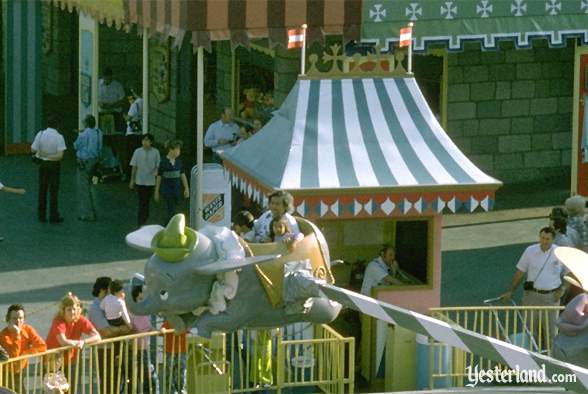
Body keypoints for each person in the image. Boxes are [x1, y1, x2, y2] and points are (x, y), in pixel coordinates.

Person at [500, 227, 566, 347]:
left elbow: (569, 274)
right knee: (529, 331)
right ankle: (530, 357)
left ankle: (553, 360)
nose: (544, 241)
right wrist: (511, 291)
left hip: (551, 298)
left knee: (551, 331)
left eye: (547, 239)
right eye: (542, 238)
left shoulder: (560, 253)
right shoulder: (530, 251)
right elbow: (520, 272)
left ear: (553, 239)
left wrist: (563, 289)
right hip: (531, 296)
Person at [87, 277, 133, 393]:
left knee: (121, 381)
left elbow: (127, 326)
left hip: (119, 348)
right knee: (108, 384)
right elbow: (107, 332)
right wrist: (123, 328)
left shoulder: (114, 301)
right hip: (105, 350)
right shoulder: (95, 308)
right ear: (103, 290)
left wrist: (119, 329)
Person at [45, 293, 101, 364]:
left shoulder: (80, 319)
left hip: (71, 359)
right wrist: (77, 343)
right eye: (69, 310)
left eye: (74, 309)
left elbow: (97, 337)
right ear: (63, 310)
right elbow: (63, 342)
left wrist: (83, 342)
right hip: (53, 361)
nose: (72, 312)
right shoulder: (58, 321)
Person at [31, 114, 66, 224]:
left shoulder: (40, 134)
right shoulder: (59, 137)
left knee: (42, 190)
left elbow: (33, 149)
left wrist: (43, 155)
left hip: (43, 166)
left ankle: (41, 216)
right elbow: (60, 156)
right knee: (53, 192)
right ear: (57, 125)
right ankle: (53, 216)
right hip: (54, 166)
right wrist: (49, 155)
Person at [74, 114, 103, 222]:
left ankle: (87, 214)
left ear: (86, 123)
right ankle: (93, 211)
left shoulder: (83, 134)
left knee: (83, 188)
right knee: (89, 185)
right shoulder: (98, 132)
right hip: (95, 160)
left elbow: (76, 145)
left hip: (84, 161)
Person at [0, 304, 46, 372]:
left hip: (22, 369)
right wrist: (17, 334)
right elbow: (14, 356)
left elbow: (42, 346)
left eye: (21, 318)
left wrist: (26, 353)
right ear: (8, 319)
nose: (18, 321)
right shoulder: (3, 335)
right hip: (7, 372)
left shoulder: (27, 329)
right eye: (14, 318)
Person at [155, 140, 190, 224]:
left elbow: (182, 174)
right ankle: (169, 224)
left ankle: (175, 223)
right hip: (167, 189)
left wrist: (186, 188)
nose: (179, 151)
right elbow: (159, 176)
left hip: (177, 189)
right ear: (171, 150)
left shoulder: (179, 161)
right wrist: (156, 191)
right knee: (170, 208)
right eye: (177, 149)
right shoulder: (163, 161)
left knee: (177, 207)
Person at [129, 285, 156, 393]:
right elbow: (131, 329)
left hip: (144, 351)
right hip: (134, 352)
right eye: (140, 299)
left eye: (144, 299)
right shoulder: (131, 313)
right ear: (135, 299)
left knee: (149, 380)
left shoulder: (145, 313)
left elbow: (149, 328)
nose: (142, 301)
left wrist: (161, 332)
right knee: (137, 381)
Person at [129, 134, 160, 227]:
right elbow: (134, 166)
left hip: (150, 181)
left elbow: (158, 166)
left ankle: (144, 218)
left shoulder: (155, 152)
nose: (145, 142)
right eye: (143, 140)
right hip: (140, 180)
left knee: (146, 201)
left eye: (147, 140)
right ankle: (141, 221)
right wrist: (132, 180)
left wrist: (155, 174)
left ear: (151, 142)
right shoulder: (137, 152)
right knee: (142, 201)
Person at [161, 320, 187, 394]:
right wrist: (163, 330)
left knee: (181, 369)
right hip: (170, 351)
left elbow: (188, 328)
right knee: (169, 370)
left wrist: (180, 330)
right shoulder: (168, 321)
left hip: (182, 350)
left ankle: (181, 389)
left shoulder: (183, 321)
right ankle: (171, 390)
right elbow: (162, 330)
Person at [98, 67, 127, 133]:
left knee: (114, 132)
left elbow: (123, 100)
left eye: (109, 78)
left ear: (112, 76)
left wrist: (111, 106)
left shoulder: (118, 85)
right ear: (103, 77)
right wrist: (99, 103)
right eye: (105, 78)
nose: (107, 80)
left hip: (114, 113)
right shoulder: (97, 84)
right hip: (101, 112)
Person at [124, 85, 144, 179]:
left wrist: (124, 116)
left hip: (132, 132)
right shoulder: (145, 102)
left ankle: (129, 174)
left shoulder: (135, 104)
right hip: (141, 131)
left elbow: (129, 117)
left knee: (131, 154)